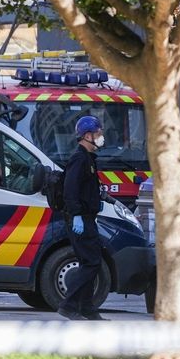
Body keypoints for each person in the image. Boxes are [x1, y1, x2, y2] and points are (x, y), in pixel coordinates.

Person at [57, 115, 106, 321]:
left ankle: (87, 308)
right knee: (92, 263)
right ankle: (68, 305)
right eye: (98, 134)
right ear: (87, 136)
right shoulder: (79, 159)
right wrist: (76, 214)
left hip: (87, 217)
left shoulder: (88, 159)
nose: (101, 137)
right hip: (80, 219)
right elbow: (70, 189)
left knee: (90, 262)